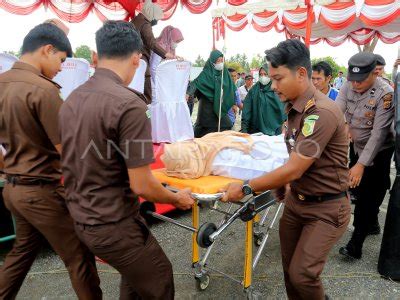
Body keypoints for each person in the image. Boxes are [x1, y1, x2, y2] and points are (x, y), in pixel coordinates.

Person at [59, 21, 194, 299]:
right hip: (113, 223)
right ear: (137, 59)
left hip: (81, 215)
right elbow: (142, 184)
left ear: (95, 58)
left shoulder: (72, 98)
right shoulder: (130, 104)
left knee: (135, 280)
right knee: (159, 279)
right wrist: (176, 198)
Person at [222, 39, 351, 300]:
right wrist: (282, 185)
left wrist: (247, 187)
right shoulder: (293, 106)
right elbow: (294, 155)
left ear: (301, 74)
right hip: (296, 203)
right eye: (271, 78)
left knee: (303, 275)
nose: (273, 85)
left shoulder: (322, 112)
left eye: (278, 78)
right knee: (290, 274)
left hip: (326, 208)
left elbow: (294, 168)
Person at [0, 23, 102, 299]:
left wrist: (12, 165)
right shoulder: (43, 91)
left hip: (13, 189)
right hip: (41, 192)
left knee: (22, 251)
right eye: (60, 60)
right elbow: (68, 151)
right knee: (79, 257)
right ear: (47, 49)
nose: (60, 69)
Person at [336, 52, 395, 259]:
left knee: (367, 194)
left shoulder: (385, 93)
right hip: (357, 145)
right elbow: (335, 113)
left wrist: (360, 165)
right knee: (363, 191)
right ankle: (372, 224)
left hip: (379, 152)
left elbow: (378, 134)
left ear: (374, 74)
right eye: (352, 80)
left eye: (360, 80)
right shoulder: (347, 85)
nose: (355, 85)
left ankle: (355, 245)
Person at [131, 0, 175, 104]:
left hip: (130, 57)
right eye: (156, 18)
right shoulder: (145, 24)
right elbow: (151, 42)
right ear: (151, 14)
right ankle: (147, 113)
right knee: (146, 86)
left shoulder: (134, 21)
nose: (156, 21)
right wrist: (166, 54)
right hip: (141, 58)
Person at [190, 50, 235, 138]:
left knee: (226, 126)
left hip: (220, 110)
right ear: (212, 61)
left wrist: (233, 103)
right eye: (218, 61)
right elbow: (195, 84)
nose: (221, 63)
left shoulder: (224, 73)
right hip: (206, 111)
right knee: (204, 134)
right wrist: (188, 94)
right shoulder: (206, 73)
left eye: (222, 60)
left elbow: (231, 88)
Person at [241, 64, 286, 135]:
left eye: (265, 74)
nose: (263, 77)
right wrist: (244, 131)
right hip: (257, 131)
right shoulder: (254, 90)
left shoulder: (278, 89)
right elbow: (246, 111)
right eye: (261, 74)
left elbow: (285, 111)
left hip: (276, 133)